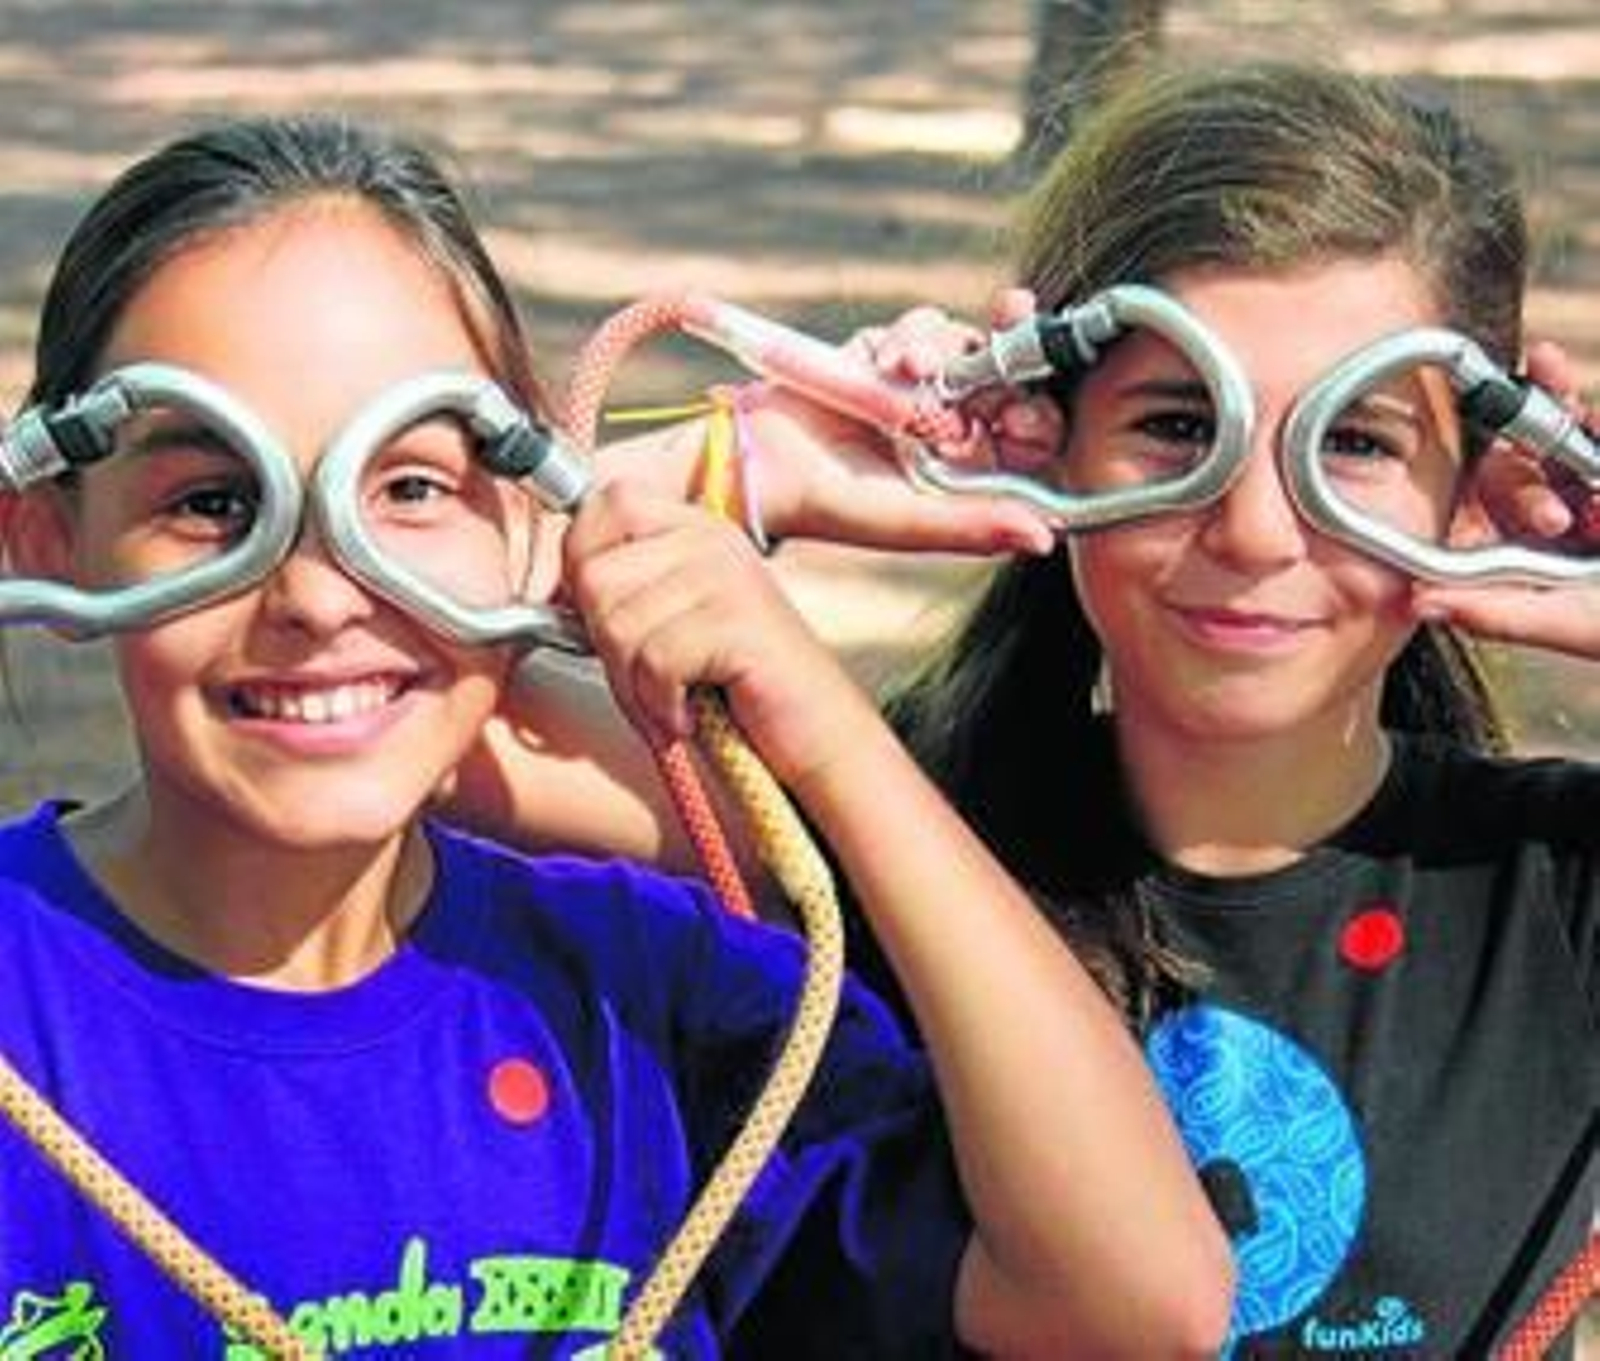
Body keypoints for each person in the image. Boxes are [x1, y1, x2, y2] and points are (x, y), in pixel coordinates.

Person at [0, 114, 1232, 1357]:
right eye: (214, 502)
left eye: (410, 486)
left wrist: (825, 728)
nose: (318, 596)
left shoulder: (646, 997)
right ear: (46, 539)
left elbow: (1136, 1303)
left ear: (528, 524)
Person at [454, 62, 1599, 1357]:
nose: (1256, 530)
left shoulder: (1558, 892)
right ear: (1052, 439)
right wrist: (758, 464)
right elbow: (370, 679)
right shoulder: (855, 825)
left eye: (1355, 442)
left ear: (1476, 489)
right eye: (1181, 425)